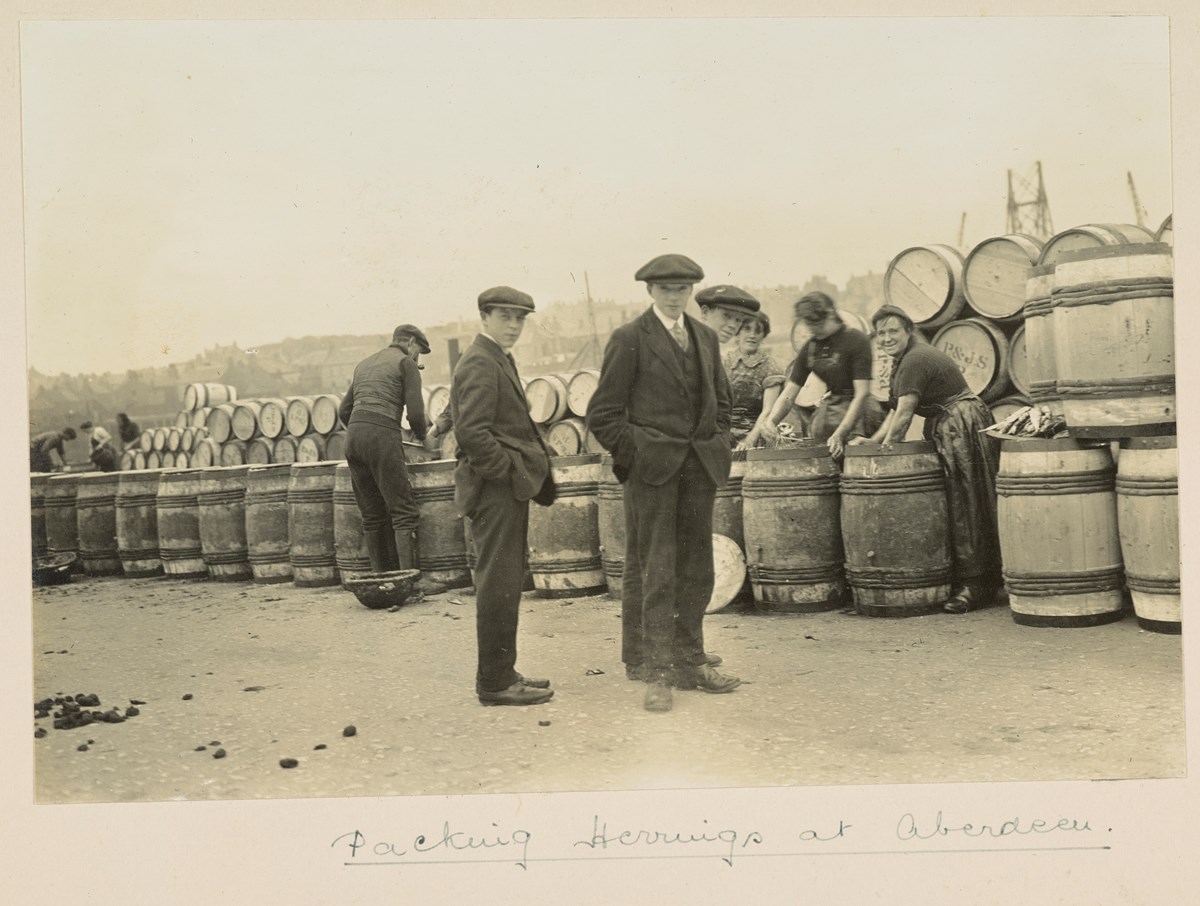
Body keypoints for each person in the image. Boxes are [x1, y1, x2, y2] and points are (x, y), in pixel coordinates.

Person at [587, 253, 741, 713]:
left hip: (699, 471)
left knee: (698, 569)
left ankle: (691, 661)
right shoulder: (629, 338)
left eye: (683, 289)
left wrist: (719, 443)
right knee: (656, 570)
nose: (675, 296)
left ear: (692, 291)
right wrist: (639, 454)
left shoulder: (707, 339)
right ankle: (657, 673)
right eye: (666, 289)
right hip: (652, 474)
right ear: (650, 291)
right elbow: (603, 415)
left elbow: (724, 405)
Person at [851, 304, 1002, 614]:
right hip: (953, 423)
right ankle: (978, 579)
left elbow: (905, 413)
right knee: (962, 501)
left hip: (961, 424)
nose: (887, 338)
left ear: (908, 331)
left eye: (893, 331)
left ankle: (976, 585)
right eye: (881, 333)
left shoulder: (915, 359)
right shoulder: (903, 360)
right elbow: (895, 410)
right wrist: (874, 441)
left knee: (967, 502)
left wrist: (888, 451)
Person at [452, 286, 556, 707]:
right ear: (484, 317)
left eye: (520, 318)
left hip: (501, 488)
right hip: (494, 490)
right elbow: (472, 433)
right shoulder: (480, 360)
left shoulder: (494, 356)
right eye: (505, 317)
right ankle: (494, 683)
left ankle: (503, 670)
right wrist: (508, 474)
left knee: (506, 582)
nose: (514, 325)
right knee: (498, 584)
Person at [338, 323, 438, 591]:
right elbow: (416, 414)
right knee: (403, 512)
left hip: (353, 438)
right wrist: (424, 437)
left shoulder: (364, 364)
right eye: (419, 353)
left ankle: (381, 582)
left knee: (372, 514)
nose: (417, 360)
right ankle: (409, 583)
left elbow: (343, 410)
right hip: (381, 436)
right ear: (412, 344)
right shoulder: (406, 364)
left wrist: (362, 430)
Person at [753, 291, 883, 459]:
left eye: (817, 324)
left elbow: (861, 394)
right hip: (830, 412)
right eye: (809, 325)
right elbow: (789, 393)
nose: (813, 330)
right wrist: (771, 421)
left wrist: (840, 434)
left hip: (861, 415)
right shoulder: (812, 347)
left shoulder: (856, 340)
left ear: (830, 314)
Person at [724, 311, 785, 448]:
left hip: (756, 434)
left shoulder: (770, 367)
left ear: (763, 336)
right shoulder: (723, 363)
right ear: (737, 333)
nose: (752, 335)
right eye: (747, 329)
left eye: (758, 331)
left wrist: (750, 440)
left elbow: (768, 410)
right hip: (722, 433)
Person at [695, 284, 760, 344]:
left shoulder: (709, 350)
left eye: (738, 320)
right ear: (705, 312)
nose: (733, 326)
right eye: (726, 316)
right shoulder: (687, 346)